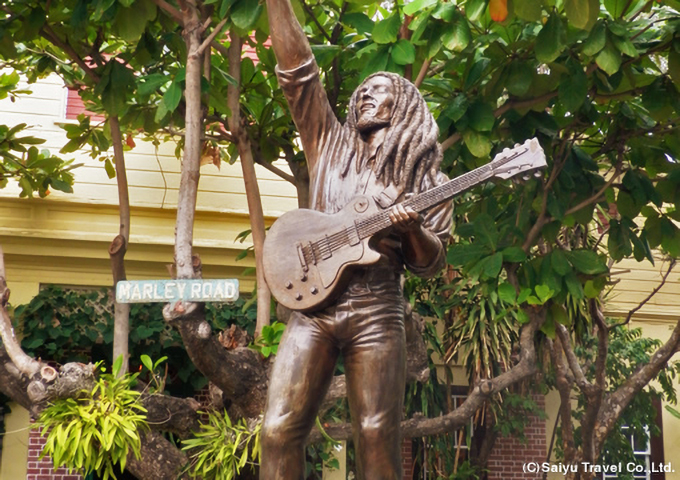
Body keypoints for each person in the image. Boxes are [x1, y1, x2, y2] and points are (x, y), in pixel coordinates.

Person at [261, 1, 453, 478]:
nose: (365, 95)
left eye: (379, 90)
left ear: (404, 105)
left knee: (374, 436)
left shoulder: (425, 177)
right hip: (313, 310)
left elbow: (432, 263)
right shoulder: (328, 143)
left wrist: (413, 232)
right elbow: (298, 75)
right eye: (362, 90)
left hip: (378, 310)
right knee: (277, 430)